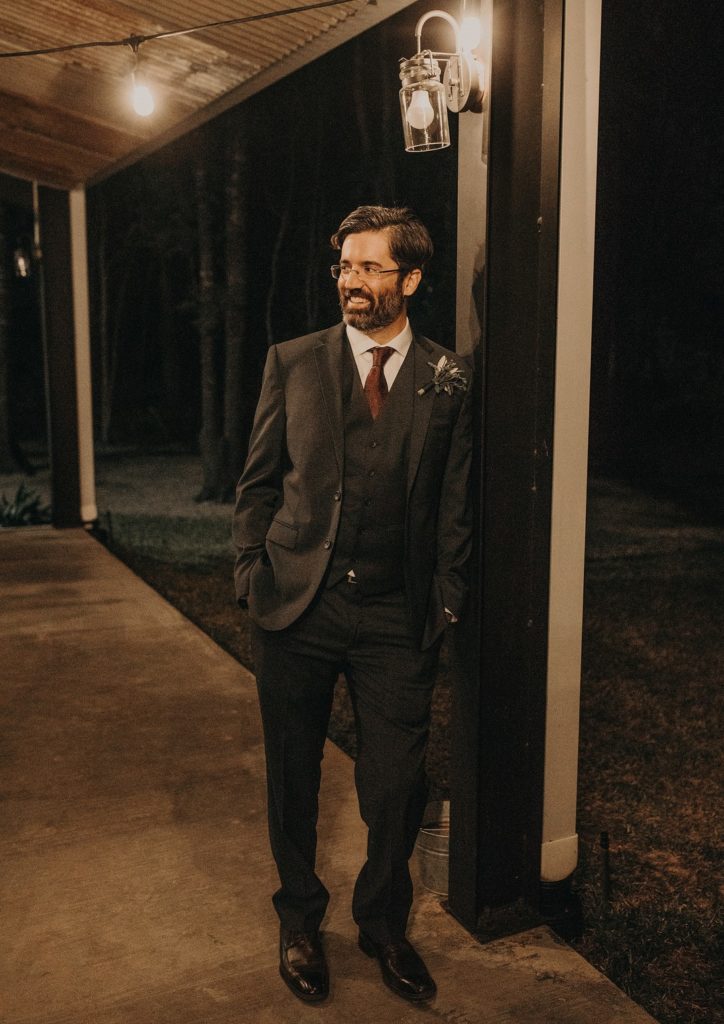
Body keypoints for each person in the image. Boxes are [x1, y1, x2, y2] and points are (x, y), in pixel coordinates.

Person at [232, 205, 473, 1004]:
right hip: (296, 610)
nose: (352, 281)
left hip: (396, 619)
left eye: (371, 267)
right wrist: (249, 572)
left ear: (410, 279)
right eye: (345, 265)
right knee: (293, 778)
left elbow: (455, 506)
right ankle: (300, 918)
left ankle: (382, 922)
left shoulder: (448, 377)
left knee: (397, 784)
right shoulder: (294, 361)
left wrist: (446, 602)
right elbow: (260, 482)